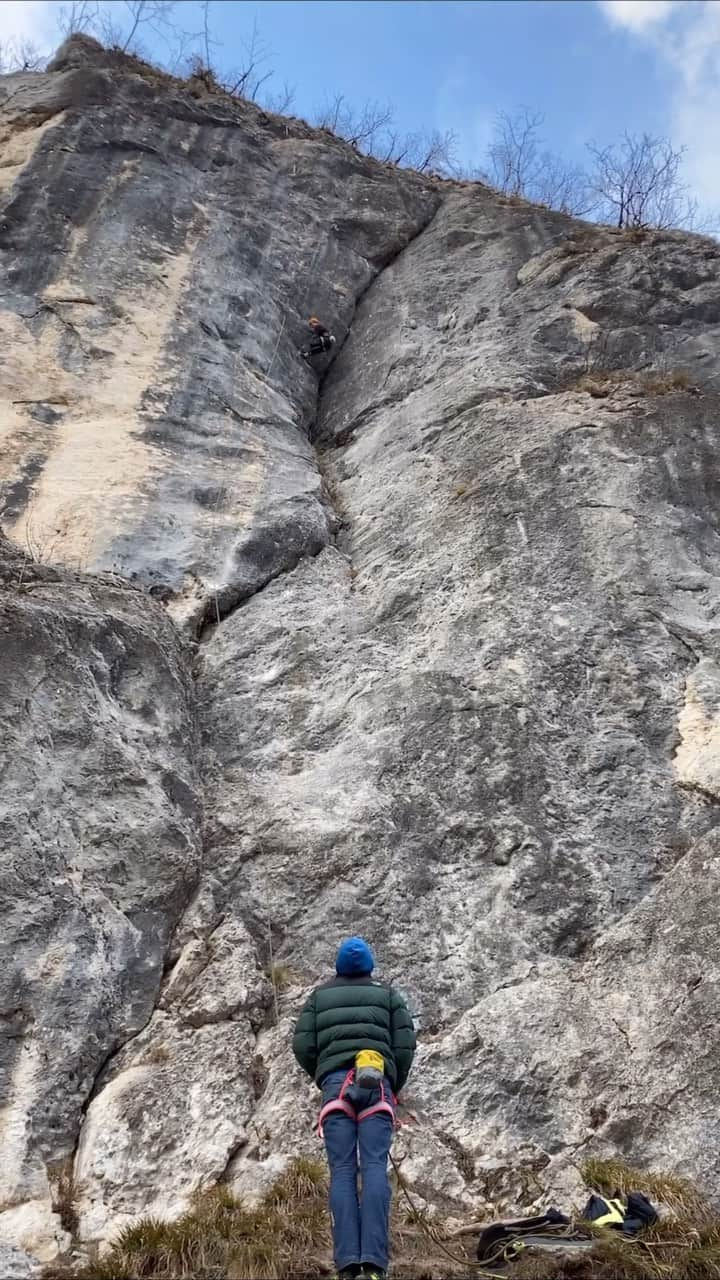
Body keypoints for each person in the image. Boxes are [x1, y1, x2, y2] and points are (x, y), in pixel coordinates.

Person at [292, 937, 416, 1280]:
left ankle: (347, 1266)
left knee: (343, 1171)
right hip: (377, 1088)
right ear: (370, 965)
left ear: (338, 966)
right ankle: (374, 1266)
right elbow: (405, 1044)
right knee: (375, 1167)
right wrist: (394, 1082)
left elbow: (302, 1044)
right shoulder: (388, 995)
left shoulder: (320, 997)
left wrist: (324, 1072)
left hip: (336, 1090)